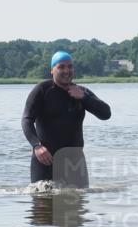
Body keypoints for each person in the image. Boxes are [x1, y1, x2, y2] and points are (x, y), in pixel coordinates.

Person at [21, 50, 111, 187]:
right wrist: (37, 146)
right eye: (61, 67)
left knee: (78, 200)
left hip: (75, 162)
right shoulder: (43, 90)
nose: (66, 71)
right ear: (52, 70)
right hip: (46, 160)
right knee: (43, 199)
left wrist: (84, 98)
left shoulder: (81, 92)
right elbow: (26, 120)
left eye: (70, 66)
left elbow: (106, 114)